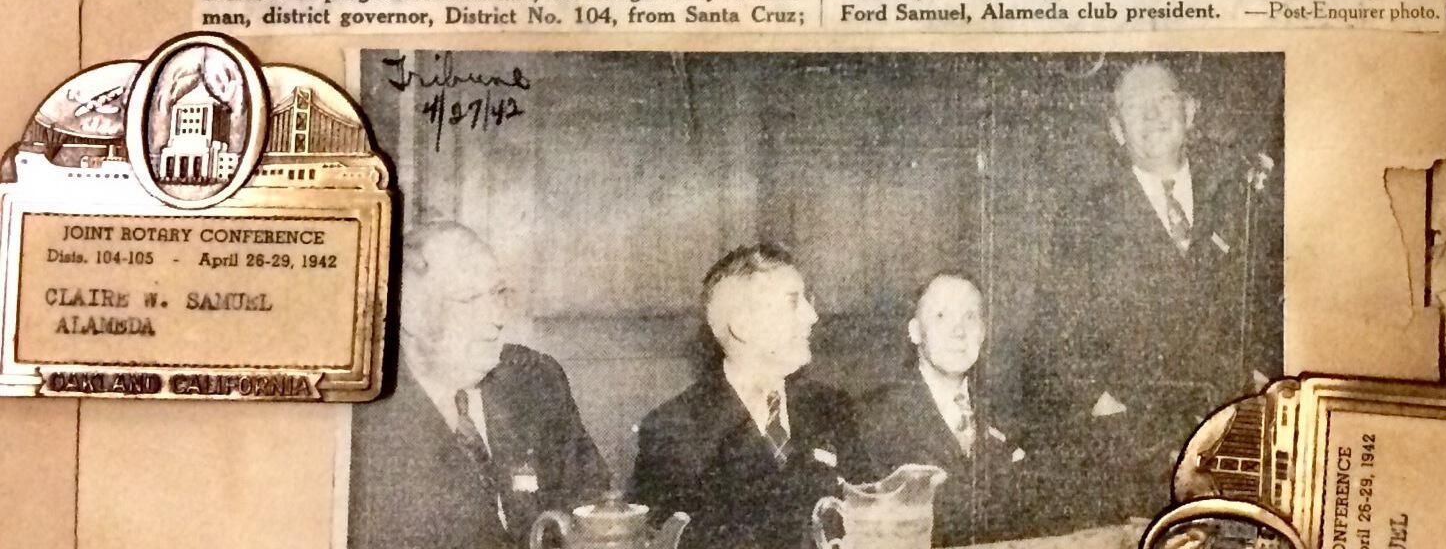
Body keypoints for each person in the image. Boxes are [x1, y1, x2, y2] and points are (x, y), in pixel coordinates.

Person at [1040, 61, 1283, 525]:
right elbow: (1054, 334)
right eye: (1135, 107)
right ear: (1117, 129)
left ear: (1190, 112)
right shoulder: (1085, 216)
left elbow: (1271, 300)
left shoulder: (1240, 198)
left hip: (1231, 435)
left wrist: (1260, 380)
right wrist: (1106, 408)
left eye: (1163, 100)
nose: (1152, 115)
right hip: (1135, 454)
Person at [349, 221, 609, 549]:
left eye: (498, 294)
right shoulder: (359, 422)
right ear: (411, 313)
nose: (497, 318)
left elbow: (593, 511)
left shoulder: (535, 380)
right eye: (469, 300)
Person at [631, 243, 868, 549]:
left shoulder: (831, 405)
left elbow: (871, 510)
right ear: (742, 326)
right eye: (793, 302)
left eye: (808, 301)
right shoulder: (673, 428)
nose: (812, 316)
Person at [859, 273, 1029, 545]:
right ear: (915, 332)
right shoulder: (875, 416)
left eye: (970, 316)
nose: (959, 331)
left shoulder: (1006, 411)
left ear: (983, 333)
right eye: (941, 316)